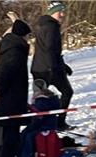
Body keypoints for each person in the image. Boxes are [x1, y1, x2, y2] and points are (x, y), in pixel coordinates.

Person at [0, 19, 32, 157]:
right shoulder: (15, 52)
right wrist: (1, 89)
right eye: (28, 36)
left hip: (11, 98)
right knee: (11, 135)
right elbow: (4, 74)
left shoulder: (11, 48)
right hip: (11, 99)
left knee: (10, 134)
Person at [31, 1, 74, 131]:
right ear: (52, 13)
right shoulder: (51, 27)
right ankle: (58, 123)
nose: (62, 14)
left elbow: (50, 50)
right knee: (66, 92)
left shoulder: (44, 25)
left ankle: (42, 123)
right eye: (59, 12)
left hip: (40, 67)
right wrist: (56, 67)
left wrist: (62, 65)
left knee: (40, 98)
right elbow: (50, 49)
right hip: (48, 69)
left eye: (62, 11)